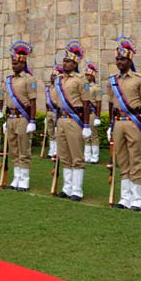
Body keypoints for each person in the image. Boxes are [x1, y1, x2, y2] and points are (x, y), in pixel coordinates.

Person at [105, 37, 141, 210]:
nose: (119, 62)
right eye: (117, 59)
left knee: (135, 159)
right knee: (122, 160)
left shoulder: (139, 79)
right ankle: (125, 197)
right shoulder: (112, 81)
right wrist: (110, 125)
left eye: (122, 59)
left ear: (130, 60)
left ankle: (137, 197)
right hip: (117, 122)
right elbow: (111, 104)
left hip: (133, 122)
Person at [53, 41, 92, 200]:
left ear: (75, 63)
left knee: (76, 155)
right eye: (64, 61)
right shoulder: (59, 80)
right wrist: (56, 123)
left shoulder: (81, 79)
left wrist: (86, 125)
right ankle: (67, 187)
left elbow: (86, 103)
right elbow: (57, 105)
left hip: (74, 120)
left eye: (68, 61)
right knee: (64, 155)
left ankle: (77, 190)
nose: (65, 63)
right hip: (62, 119)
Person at [3, 41, 38, 190]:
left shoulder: (29, 79)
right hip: (10, 118)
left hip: (23, 118)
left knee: (24, 149)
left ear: (23, 63)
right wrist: (5, 119)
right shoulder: (9, 80)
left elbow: (33, 101)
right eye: (12, 63)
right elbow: (7, 101)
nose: (14, 66)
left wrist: (32, 120)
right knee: (14, 150)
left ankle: (24, 179)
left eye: (16, 63)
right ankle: (16, 177)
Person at [84, 62, 104, 164]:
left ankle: (95, 156)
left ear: (92, 76)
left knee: (93, 135)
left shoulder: (97, 88)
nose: (86, 76)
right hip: (84, 114)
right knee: (86, 136)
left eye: (88, 75)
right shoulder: (83, 86)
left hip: (92, 114)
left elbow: (99, 103)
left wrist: (98, 117)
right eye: (85, 74)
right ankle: (87, 156)